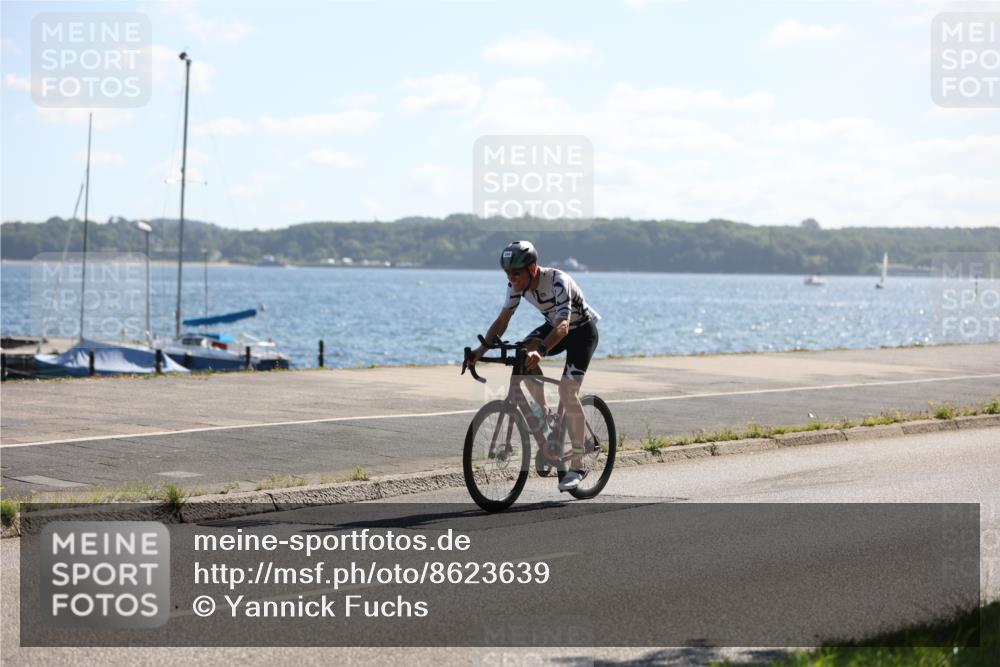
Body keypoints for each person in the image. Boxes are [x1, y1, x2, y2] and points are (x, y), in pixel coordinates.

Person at [469, 240, 601, 492]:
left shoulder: (558, 281)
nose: (511, 278)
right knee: (522, 352)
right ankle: (546, 415)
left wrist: (540, 351)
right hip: (554, 327)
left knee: (567, 391)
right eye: (507, 273)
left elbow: (563, 326)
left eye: (515, 273)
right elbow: (502, 320)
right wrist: (480, 350)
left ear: (532, 269)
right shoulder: (516, 285)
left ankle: (577, 463)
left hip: (581, 333)